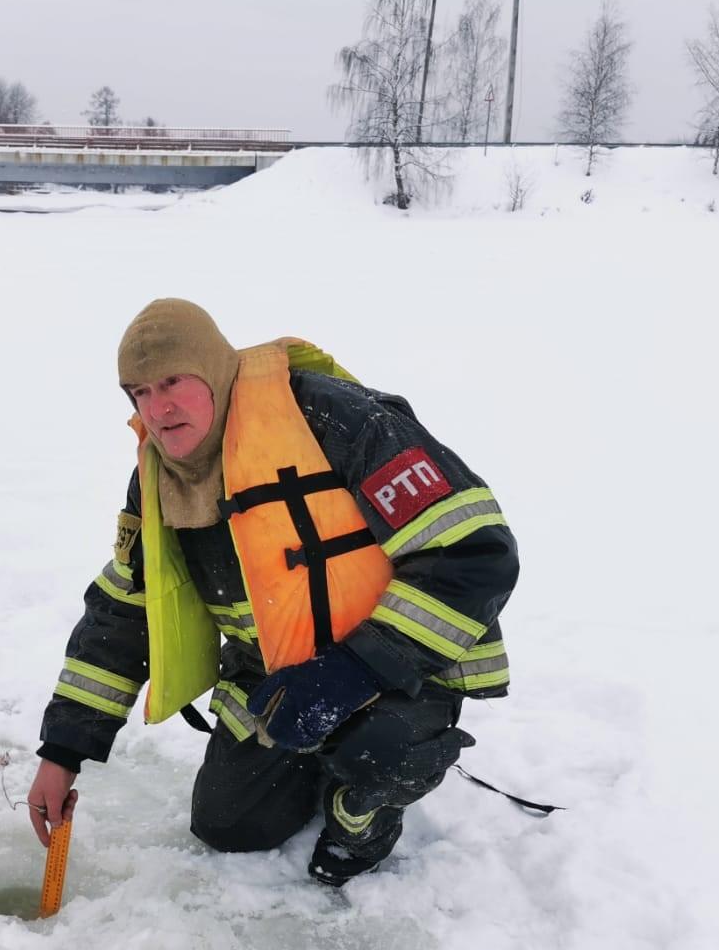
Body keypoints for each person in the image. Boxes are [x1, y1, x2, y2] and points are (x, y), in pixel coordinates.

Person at [28, 299, 519, 885]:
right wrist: (62, 753)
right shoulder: (158, 477)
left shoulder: (337, 421)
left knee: (379, 750)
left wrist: (353, 672)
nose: (157, 409)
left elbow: (472, 551)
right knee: (228, 828)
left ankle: (363, 813)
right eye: (138, 392)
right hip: (273, 676)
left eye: (172, 382)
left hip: (393, 668)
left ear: (213, 369)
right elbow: (123, 612)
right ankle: (317, 759)